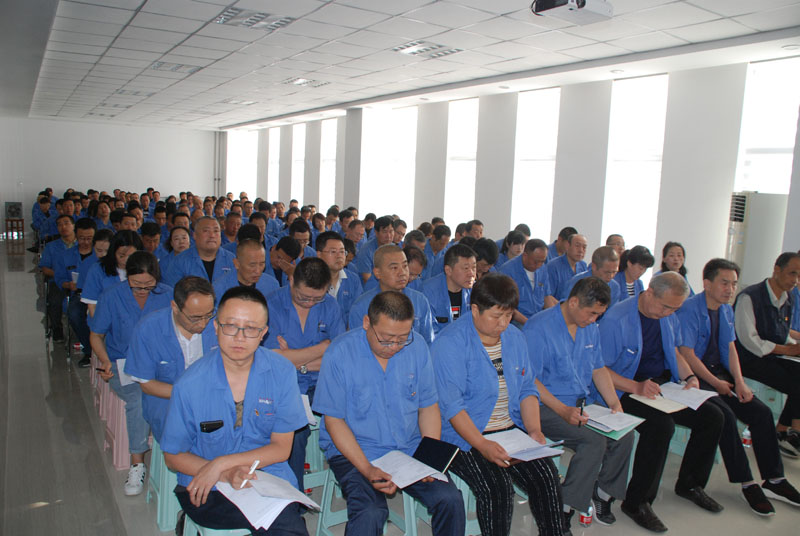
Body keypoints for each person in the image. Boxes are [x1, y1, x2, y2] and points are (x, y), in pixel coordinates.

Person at [312, 291, 465, 535]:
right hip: (356, 450)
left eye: (402, 339)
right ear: (367, 323)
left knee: (450, 499)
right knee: (370, 511)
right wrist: (367, 469)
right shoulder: (340, 353)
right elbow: (334, 420)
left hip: (408, 447)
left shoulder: (417, 347)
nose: (394, 347)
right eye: (385, 339)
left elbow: (428, 406)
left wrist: (428, 460)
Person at [160, 286, 309, 535]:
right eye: (230, 326)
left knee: (288, 527)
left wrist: (221, 463)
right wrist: (223, 473)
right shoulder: (190, 384)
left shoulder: (281, 372)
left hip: (265, 477)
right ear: (216, 327)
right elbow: (173, 456)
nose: (239, 337)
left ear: (263, 333)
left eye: (250, 328)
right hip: (207, 484)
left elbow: (281, 449)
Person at [431, 273, 565, 536]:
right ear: (475, 310)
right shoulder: (450, 344)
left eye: (509, 315)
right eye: (496, 316)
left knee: (546, 477)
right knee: (497, 488)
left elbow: (527, 388)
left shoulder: (515, 338)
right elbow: (453, 407)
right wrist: (482, 445)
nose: (503, 323)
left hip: (508, 429)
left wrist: (534, 430)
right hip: (464, 436)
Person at [600, 272, 725, 533]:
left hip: (659, 385)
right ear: (649, 293)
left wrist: (689, 377)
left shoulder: (668, 317)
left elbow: (676, 352)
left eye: (674, 309)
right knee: (660, 426)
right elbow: (600, 369)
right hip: (624, 389)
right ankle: (637, 502)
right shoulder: (616, 319)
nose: (668, 313)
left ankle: (690, 484)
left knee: (713, 417)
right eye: (665, 307)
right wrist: (636, 386)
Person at [677, 258, 800, 515]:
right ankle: (747, 482)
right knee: (725, 416)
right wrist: (716, 383)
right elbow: (687, 355)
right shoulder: (689, 309)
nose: (730, 289)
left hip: (719, 375)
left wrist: (740, 382)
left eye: (733, 284)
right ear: (707, 283)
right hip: (693, 380)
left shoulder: (725, 310)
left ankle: (774, 478)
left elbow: (730, 348)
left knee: (761, 412)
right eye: (724, 283)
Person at [525, 277, 633, 530]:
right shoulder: (538, 328)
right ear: (573, 302)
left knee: (624, 434)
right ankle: (563, 507)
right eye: (591, 313)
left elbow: (598, 368)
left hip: (582, 404)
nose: (594, 320)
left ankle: (602, 494)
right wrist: (562, 410)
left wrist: (614, 404)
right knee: (592, 441)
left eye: (599, 315)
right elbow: (530, 381)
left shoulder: (589, 327)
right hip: (545, 406)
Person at [91, 251, 174, 496]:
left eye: (149, 285)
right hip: (124, 364)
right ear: (127, 277)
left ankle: (177, 453)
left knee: (181, 394)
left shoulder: (168, 295)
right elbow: (96, 335)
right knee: (139, 398)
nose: (142, 290)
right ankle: (137, 462)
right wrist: (105, 361)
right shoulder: (112, 296)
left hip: (160, 363)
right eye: (136, 284)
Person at [263, 257, 346, 491]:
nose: (310, 303)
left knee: (352, 415)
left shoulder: (330, 306)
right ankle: (293, 496)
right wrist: (323, 347)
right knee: (294, 432)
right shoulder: (271, 305)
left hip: (322, 382)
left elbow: (338, 358)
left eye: (316, 298)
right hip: (283, 386)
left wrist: (296, 360)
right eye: (303, 297)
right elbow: (275, 360)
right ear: (291, 280)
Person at [125, 276, 218, 443]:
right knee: (179, 431)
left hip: (211, 394)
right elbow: (147, 384)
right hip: (167, 397)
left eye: (208, 315)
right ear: (175, 307)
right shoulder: (148, 329)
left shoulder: (218, 324)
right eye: (195, 318)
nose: (203, 324)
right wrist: (191, 395)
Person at [734, 252, 800, 457]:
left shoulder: (788, 298)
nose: (795, 280)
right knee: (797, 381)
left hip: (773, 356)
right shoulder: (750, 297)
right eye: (792, 273)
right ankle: (790, 432)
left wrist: (794, 346)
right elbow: (749, 340)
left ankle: (785, 431)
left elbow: (781, 333)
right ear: (777, 270)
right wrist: (787, 350)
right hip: (747, 359)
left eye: (799, 276)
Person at [348, 245, 435, 343]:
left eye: (405, 266)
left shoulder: (420, 301)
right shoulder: (361, 306)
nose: (402, 273)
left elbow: (427, 341)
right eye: (394, 268)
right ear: (377, 273)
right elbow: (358, 344)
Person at [59, 218, 96, 366]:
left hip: (100, 295)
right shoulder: (66, 255)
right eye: (81, 238)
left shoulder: (100, 254)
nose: (86, 242)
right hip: (79, 294)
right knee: (74, 313)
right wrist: (68, 284)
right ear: (75, 236)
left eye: (89, 238)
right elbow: (59, 278)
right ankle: (89, 350)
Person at [81, 230, 143, 318]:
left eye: (131, 256)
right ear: (113, 252)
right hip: (104, 318)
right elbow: (92, 306)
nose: (126, 260)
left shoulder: (144, 268)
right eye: (121, 255)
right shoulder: (98, 270)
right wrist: (99, 326)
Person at [164, 216, 235, 287]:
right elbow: (170, 290)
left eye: (216, 231)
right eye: (206, 231)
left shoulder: (231, 259)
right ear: (195, 235)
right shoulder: (179, 261)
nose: (212, 235)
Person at [39, 214, 77, 341]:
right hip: (58, 281)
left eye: (66, 223)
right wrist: (61, 276)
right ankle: (57, 329)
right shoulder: (51, 247)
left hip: (79, 281)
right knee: (54, 301)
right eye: (60, 224)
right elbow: (45, 268)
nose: (63, 227)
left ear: (73, 226)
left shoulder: (82, 245)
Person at [422, 243, 476, 335]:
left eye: (474, 268)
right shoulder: (428, 291)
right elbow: (429, 334)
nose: (471, 274)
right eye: (466, 268)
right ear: (448, 270)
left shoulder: (476, 290)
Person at [315, 231, 362, 320]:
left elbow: (357, 312)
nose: (339, 256)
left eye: (342, 251)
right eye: (333, 252)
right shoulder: (310, 279)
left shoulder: (353, 279)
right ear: (319, 254)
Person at [212, 239, 279, 302]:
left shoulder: (272, 285)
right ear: (237, 264)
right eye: (252, 265)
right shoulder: (219, 289)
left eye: (261, 264)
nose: (258, 271)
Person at [557, 246, 621, 305]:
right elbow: (566, 308)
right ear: (594, 267)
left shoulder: (615, 287)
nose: (611, 276)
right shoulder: (575, 283)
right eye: (607, 272)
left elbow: (612, 312)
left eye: (614, 272)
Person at [545, 234, 588, 301]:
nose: (581, 250)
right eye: (577, 246)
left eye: (584, 247)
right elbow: (548, 296)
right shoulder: (553, 266)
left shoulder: (583, 265)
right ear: (568, 246)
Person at [353, 216, 395, 283]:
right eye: (384, 232)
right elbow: (367, 279)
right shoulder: (366, 250)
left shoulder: (394, 248)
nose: (388, 236)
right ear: (376, 233)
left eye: (391, 231)